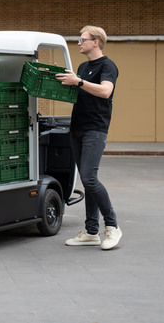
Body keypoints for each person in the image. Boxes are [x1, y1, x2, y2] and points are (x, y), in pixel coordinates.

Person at [55, 26, 122, 250]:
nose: (79, 43)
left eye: (82, 39)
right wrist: (62, 79)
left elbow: (105, 91)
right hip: (78, 128)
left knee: (90, 178)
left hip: (95, 129)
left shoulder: (107, 66)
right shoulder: (83, 67)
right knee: (87, 180)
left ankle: (112, 226)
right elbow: (78, 91)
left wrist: (79, 82)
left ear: (96, 42)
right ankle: (92, 231)